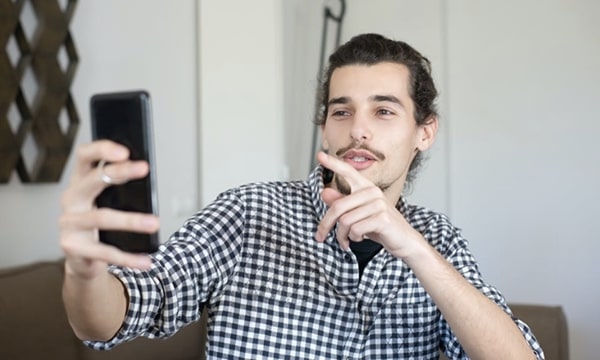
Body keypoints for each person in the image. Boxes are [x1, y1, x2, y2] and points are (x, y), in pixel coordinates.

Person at [60, 33, 544, 359]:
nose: (358, 131)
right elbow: (110, 319)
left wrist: (411, 247)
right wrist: (85, 273)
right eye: (341, 111)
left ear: (425, 132)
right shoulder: (249, 212)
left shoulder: (440, 239)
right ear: (324, 125)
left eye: (384, 112)